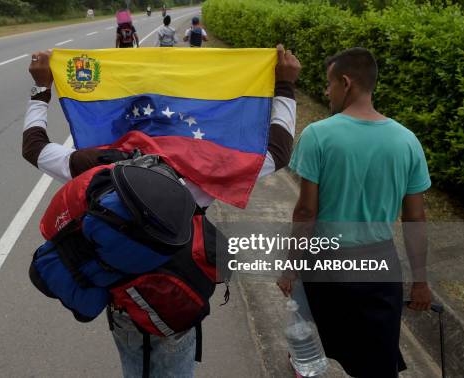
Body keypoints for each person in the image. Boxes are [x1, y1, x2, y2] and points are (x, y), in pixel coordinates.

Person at [24, 45, 301, 377]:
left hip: (123, 301)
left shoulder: (98, 161)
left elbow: (34, 147)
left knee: (133, 367)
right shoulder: (201, 163)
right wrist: (284, 85)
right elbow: (278, 152)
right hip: (174, 301)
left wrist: (41, 88)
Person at [278, 47, 433, 377]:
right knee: (375, 364)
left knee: (310, 355)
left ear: (346, 82)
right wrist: (420, 281)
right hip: (380, 267)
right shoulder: (407, 141)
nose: (325, 91)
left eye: (328, 83)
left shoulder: (318, 135)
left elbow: (306, 211)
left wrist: (290, 265)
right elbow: (415, 220)